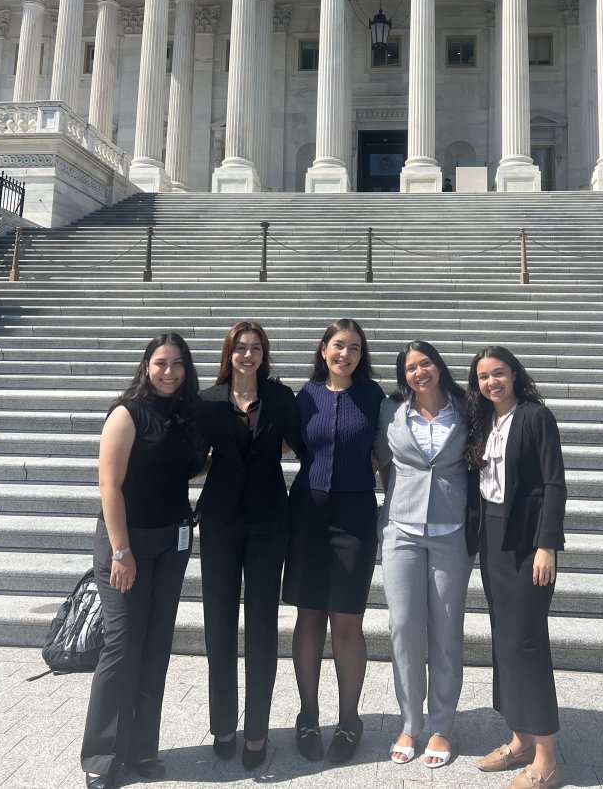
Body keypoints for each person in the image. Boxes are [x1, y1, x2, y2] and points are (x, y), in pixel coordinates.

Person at [81, 333, 207, 789]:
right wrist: (120, 550)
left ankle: (142, 749)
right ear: (146, 366)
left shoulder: (188, 413)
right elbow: (109, 486)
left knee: (155, 645)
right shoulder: (127, 413)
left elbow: (188, 466)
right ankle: (101, 753)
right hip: (126, 544)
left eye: (177, 363)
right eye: (160, 362)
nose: (169, 371)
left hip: (172, 542)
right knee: (123, 644)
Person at [197, 321, 303, 770]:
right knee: (218, 626)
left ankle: (256, 730)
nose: (247, 355)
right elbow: (191, 455)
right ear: (229, 353)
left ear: (264, 354)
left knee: (261, 626)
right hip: (220, 522)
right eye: (240, 348)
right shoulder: (207, 400)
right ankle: (223, 724)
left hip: (266, 523)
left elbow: (306, 446)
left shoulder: (280, 398)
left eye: (255, 348)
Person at [282, 318, 386, 764]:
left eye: (356, 349)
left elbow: (385, 455)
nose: (346, 354)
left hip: (356, 515)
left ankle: (349, 720)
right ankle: (308, 716)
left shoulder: (374, 397)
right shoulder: (303, 396)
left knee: (347, 619)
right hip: (308, 512)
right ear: (323, 349)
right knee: (308, 616)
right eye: (339, 346)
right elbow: (281, 445)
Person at [465, 346, 567, 789]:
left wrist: (548, 545)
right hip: (491, 538)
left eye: (499, 374)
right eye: (484, 376)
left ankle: (546, 759)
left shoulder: (535, 416)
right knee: (505, 639)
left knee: (526, 643)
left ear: (514, 375)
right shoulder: (483, 421)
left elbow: (554, 482)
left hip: (527, 543)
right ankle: (519, 739)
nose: (492, 383)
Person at [374, 342, 479, 768]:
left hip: (451, 531)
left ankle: (442, 726)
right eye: (411, 368)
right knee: (402, 626)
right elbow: (382, 459)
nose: (420, 372)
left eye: (426, 364)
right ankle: (410, 722)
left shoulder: (467, 408)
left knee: (446, 629)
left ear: (438, 366)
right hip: (401, 529)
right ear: (404, 375)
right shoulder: (390, 411)